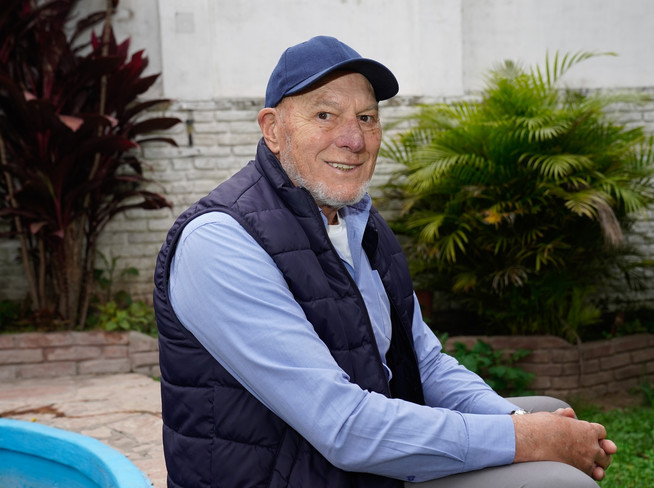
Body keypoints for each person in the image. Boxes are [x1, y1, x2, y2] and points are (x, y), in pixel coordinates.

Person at [153, 35, 616, 487]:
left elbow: (425, 363)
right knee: (556, 479)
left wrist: (524, 424)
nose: (353, 139)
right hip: (297, 471)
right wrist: (528, 439)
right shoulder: (220, 241)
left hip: (358, 464)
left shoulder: (360, 224)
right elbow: (344, 428)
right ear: (273, 129)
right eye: (324, 114)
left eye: (367, 117)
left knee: (543, 408)